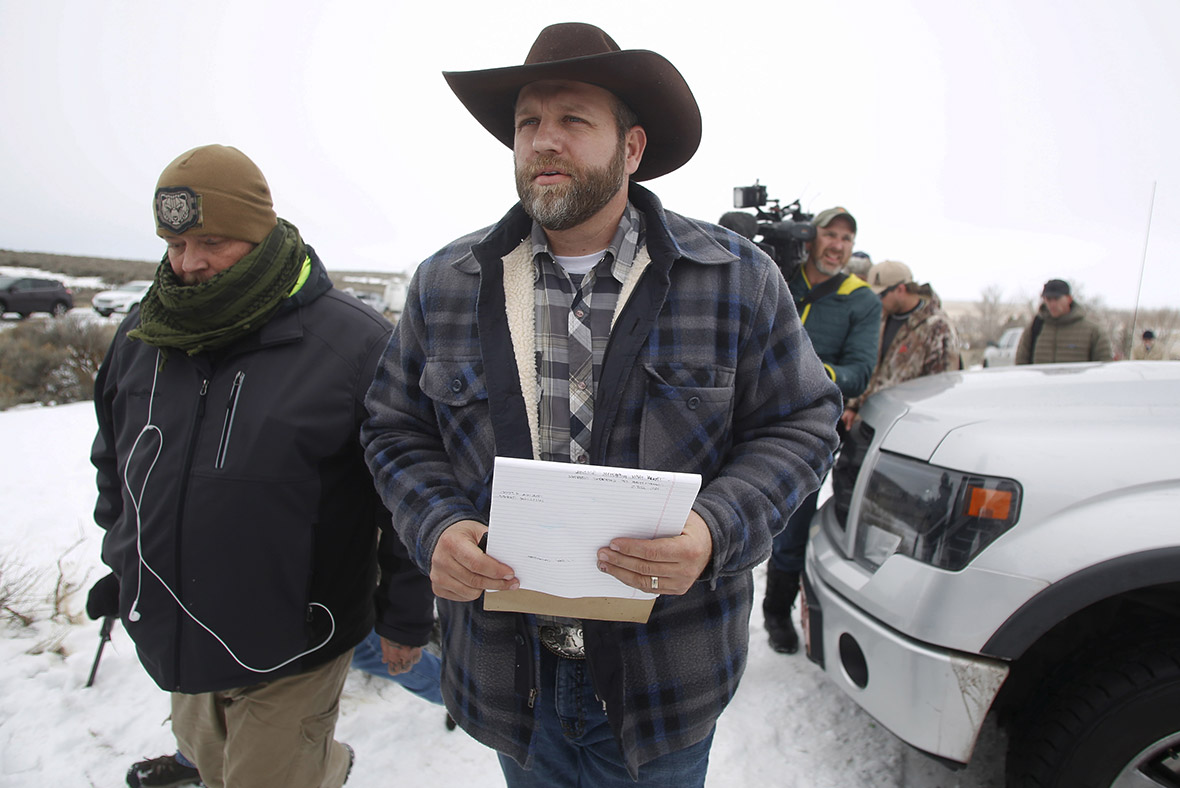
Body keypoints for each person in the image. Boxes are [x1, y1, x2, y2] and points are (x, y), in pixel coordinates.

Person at [360, 22, 842, 786]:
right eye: (527, 122)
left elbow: (804, 424)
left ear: (633, 147)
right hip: (511, 676)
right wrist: (436, 525)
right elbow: (394, 429)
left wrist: (713, 530)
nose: (543, 140)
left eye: (573, 120)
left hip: (666, 679)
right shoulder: (447, 283)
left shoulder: (734, 278)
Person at [91, 144, 436, 788]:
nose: (189, 263)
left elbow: (404, 492)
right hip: (177, 623)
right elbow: (116, 463)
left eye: (211, 242)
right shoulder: (143, 334)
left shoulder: (354, 344)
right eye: (174, 244)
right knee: (211, 764)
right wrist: (123, 566)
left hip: (295, 642)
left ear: (259, 234)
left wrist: (406, 614)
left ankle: (320, 765)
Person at [762, 206, 881, 655]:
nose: (838, 246)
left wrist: (806, 372)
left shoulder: (861, 300)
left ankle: (777, 613)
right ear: (811, 238)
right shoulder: (775, 276)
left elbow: (860, 373)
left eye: (847, 239)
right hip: (748, 416)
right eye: (830, 234)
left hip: (808, 430)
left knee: (791, 529)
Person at [841, 260, 960, 431]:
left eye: (880, 295)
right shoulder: (880, 318)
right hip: (869, 422)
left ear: (900, 289)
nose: (876, 300)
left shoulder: (937, 327)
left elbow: (943, 387)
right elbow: (870, 369)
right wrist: (853, 406)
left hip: (906, 428)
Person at [1015, 278, 1113, 364]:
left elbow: (1104, 366)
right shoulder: (1034, 328)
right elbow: (1021, 364)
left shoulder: (1092, 331)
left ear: (1069, 299)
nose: (1052, 304)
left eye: (1057, 298)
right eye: (1048, 299)